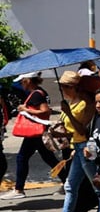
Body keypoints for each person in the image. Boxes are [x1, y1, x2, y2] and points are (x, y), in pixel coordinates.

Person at [39, 72, 97, 212]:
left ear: (72, 87)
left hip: (86, 148)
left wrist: (68, 113)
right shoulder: (72, 102)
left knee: (98, 186)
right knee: (70, 186)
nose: (61, 90)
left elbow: (83, 131)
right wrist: (60, 134)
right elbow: (73, 132)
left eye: (63, 86)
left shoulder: (86, 103)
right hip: (77, 147)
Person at [1, 72, 59, 201]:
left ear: (28, 80)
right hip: (38, 131)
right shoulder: (38, 92)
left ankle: (19, 189)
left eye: (22, 81)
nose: (21, 84)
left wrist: (26, 110)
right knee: (49, 158)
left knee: (22, 158)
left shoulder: (36, 94)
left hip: (35, 132)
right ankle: (68, 181)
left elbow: (45, 110)